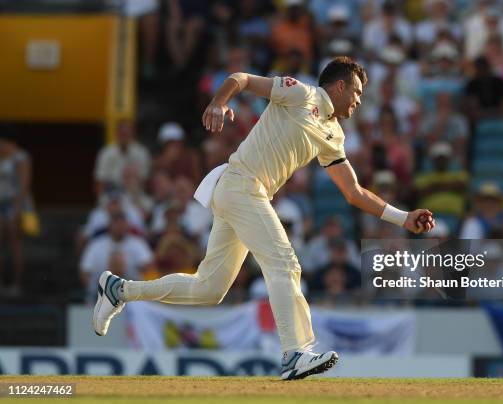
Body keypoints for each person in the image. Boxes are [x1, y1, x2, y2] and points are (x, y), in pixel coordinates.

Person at [92, 57, 435, 380]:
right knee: (284, 264)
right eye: (358, 92)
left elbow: (354, 192)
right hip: (241, 185)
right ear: (340, 87)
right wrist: (218, 102)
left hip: (245, 195)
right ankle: (295, 353)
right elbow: (240, 79)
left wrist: (403, 218)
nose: (360, 101)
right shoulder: (301, 93)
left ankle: (119, 290)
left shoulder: (334, 135)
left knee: (208, 289)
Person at [0, 129, 31, 296]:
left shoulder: (20, 157)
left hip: (14, 204)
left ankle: (16, 283)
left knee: (14, 244)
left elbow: (23, 185)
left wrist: (18, 210)